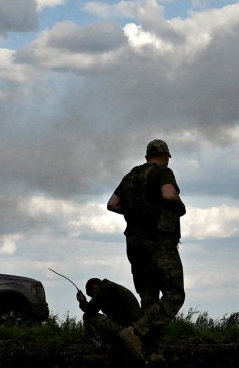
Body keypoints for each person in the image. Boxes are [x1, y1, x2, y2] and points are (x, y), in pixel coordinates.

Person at [108, 139, 186, 362]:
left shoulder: (131, 176)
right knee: (174, 294)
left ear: (147, 155)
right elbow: (169, 195)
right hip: (158, 242)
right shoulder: (162, 173)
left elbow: (112, 204)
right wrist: (180, 207)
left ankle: (152, 352)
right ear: (165, 156)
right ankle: (135, 332)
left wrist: (134, 212)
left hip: (134, 243)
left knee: (149, 299)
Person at [77, 277, 142, 350]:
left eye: (92, 295)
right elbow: (94, 309)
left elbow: (90, 311)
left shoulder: (103, 289)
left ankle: (100, 344)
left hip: (127, 329)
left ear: (93, 288)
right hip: (133, 327)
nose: (93, 297)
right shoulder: (109, 287)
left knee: (87, 317)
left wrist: (82, 301)